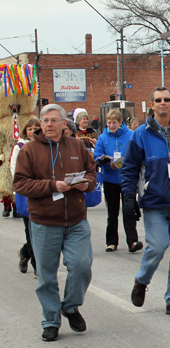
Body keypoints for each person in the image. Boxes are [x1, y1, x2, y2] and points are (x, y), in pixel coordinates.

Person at [13, 104, 96, 342]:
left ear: (63, 124)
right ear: (40, 124)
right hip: (44, 222)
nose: (49, 124)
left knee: (81, 267)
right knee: (46, 276)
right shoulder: (29, 150)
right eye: (45, 120)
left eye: (53, 120)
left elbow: (91, 172)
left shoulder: (77, 146)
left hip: (76, 220)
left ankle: (70, 306)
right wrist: (51, 186)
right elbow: (20, 184)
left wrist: (86, 183)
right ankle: (50, 320)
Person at [121, 86, 170, 317]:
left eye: (167, 99)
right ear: (152, 104)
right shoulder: (140, 134)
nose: (163, 103)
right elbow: (129, 169)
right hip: (154, 202)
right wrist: (128, 198)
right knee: (156, 247)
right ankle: (141, 281)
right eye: (158, 100)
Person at [94, 109, 143, 253]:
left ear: (120, 122)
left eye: (114, 122)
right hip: (110, 178)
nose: (111, 125)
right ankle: (111, 242)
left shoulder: (130, 135)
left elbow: (138, 152)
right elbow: (97, 156)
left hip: (127, 178)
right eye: (109, 123)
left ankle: (132, 241)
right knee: (112, 211)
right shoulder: (103, 138)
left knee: (128, 210)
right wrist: (103, 161)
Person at [11, 118, 41, 277]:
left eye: (36, 128)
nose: (33, 131)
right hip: (26, 194)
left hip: (42, 193)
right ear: (26, 131)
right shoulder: (19, 147)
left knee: (41, 231)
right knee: (30, 230)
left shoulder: (44, 145)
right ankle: (37, 266)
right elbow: (15, 171)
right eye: (30, 129)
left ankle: (24, 252)